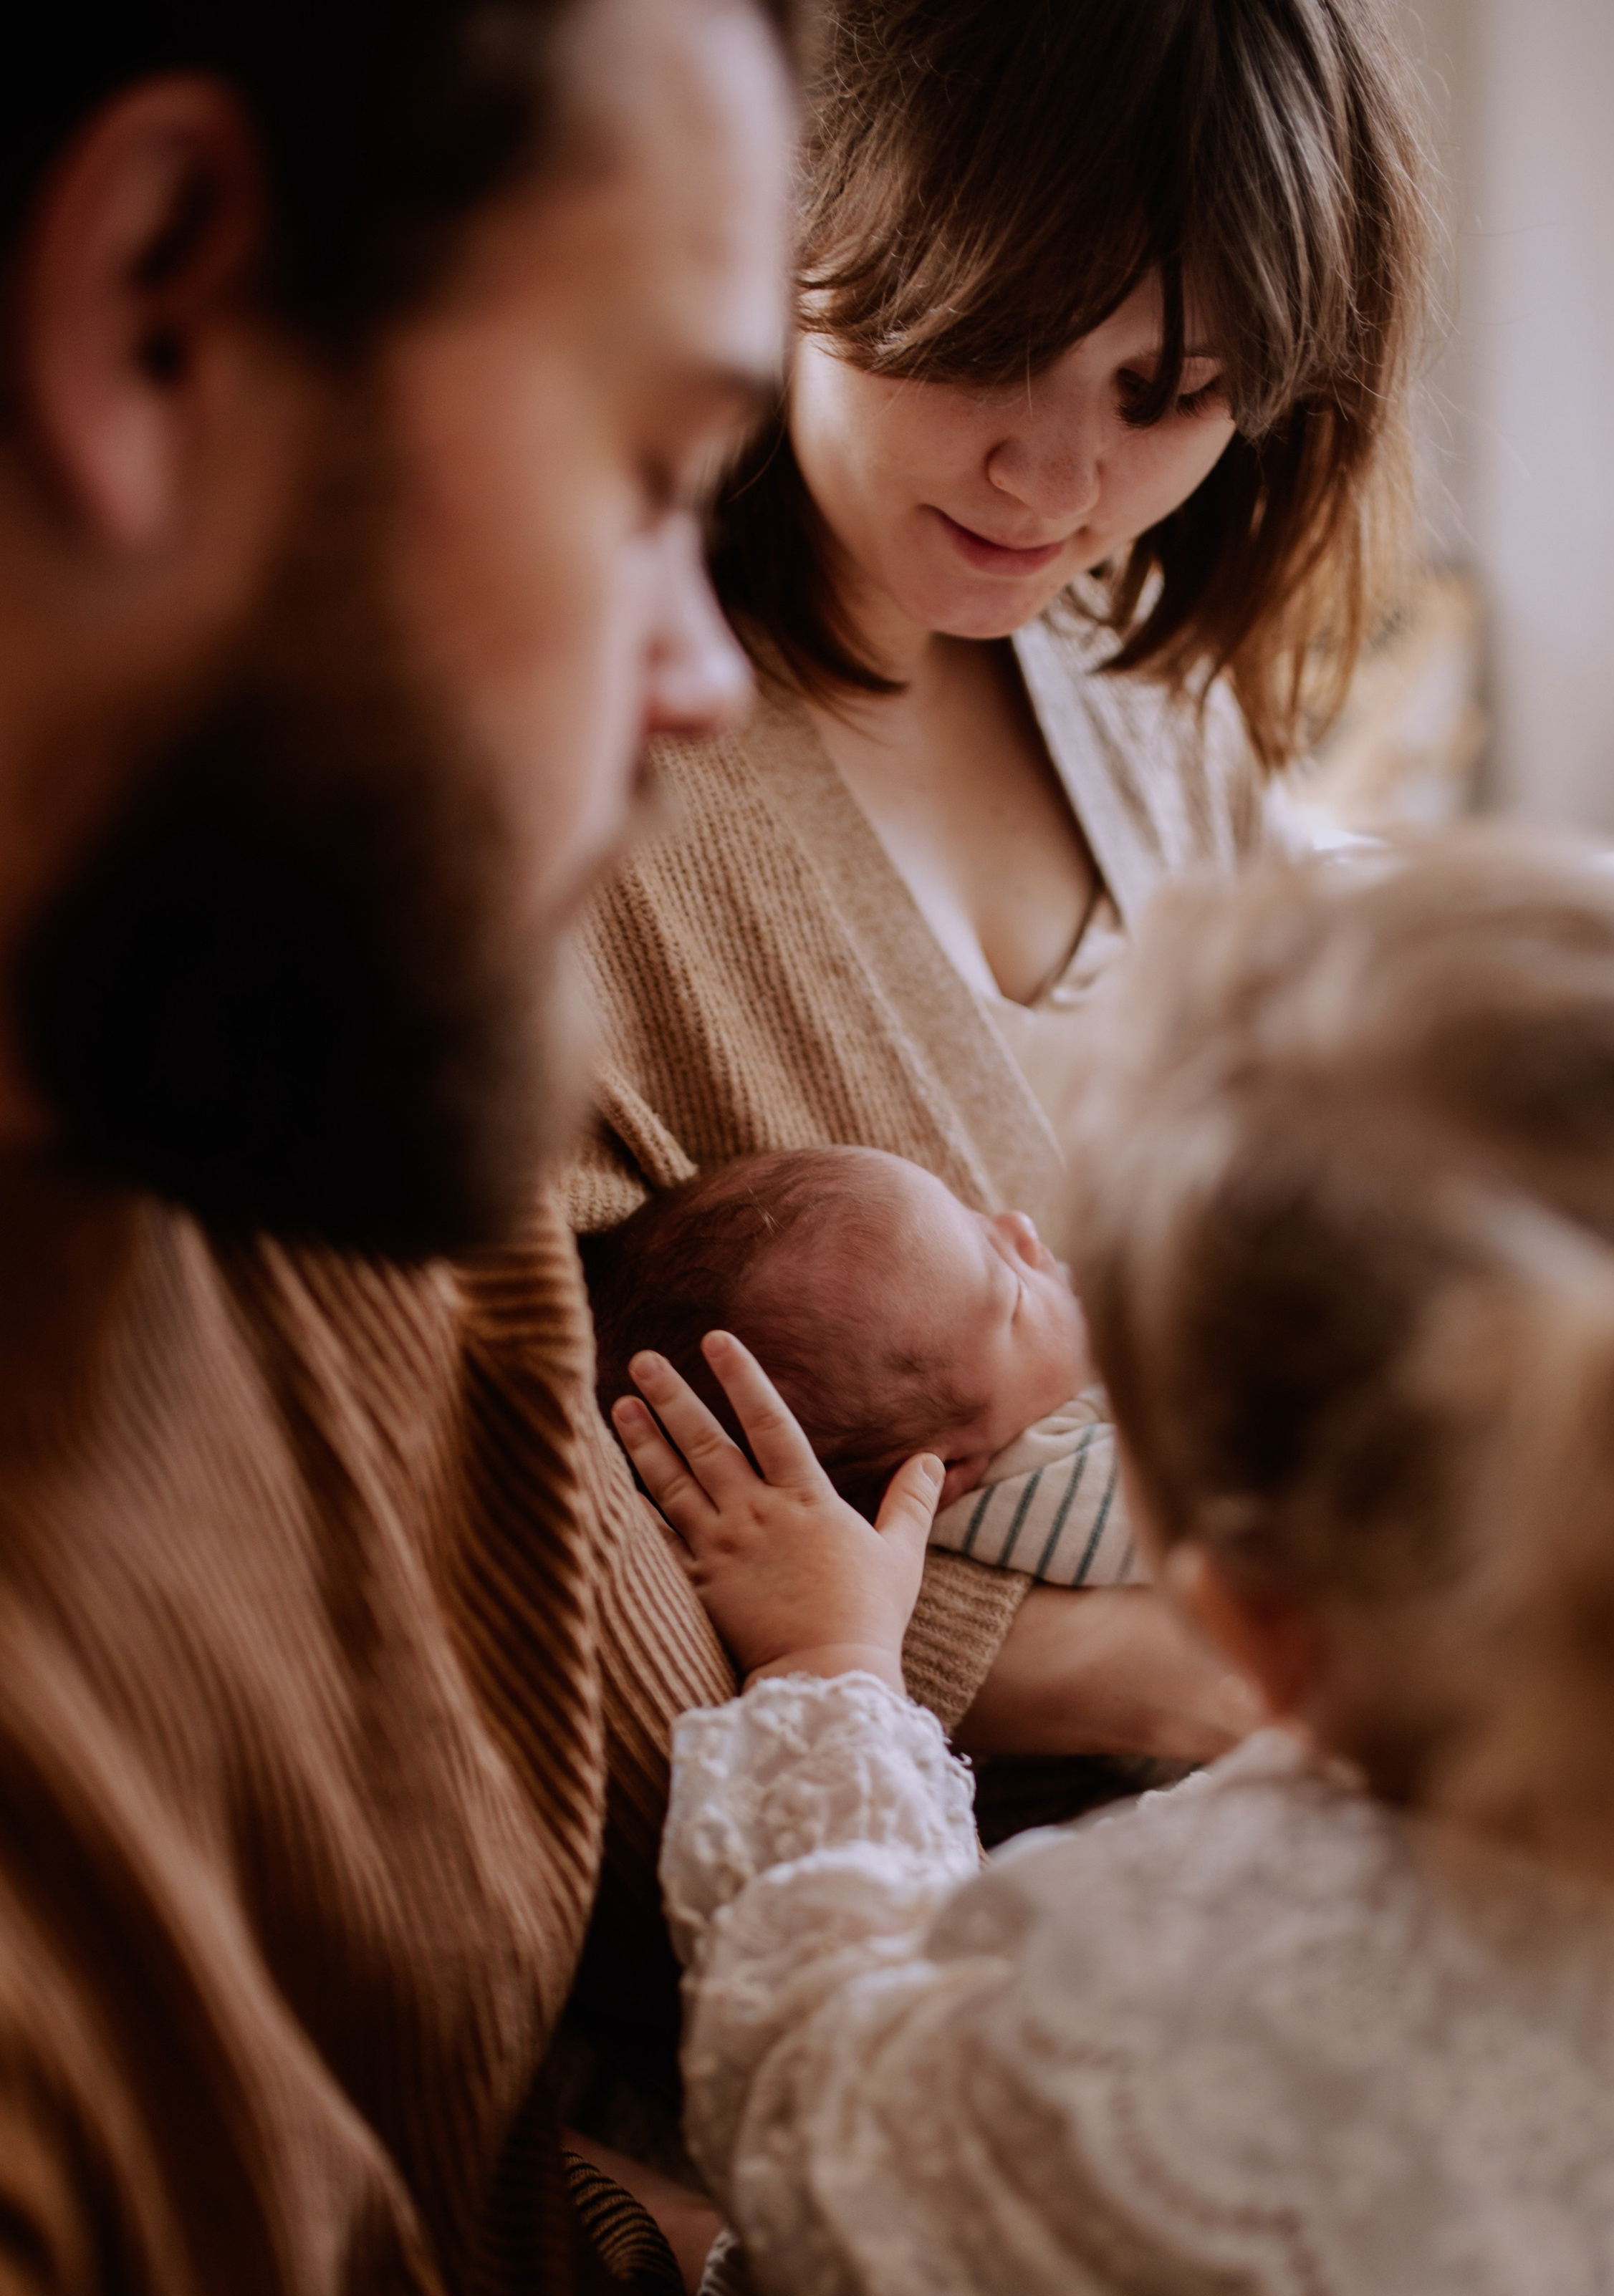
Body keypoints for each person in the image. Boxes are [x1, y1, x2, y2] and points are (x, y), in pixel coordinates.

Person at [0, 4, 897, 2296]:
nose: (705, 672)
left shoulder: (323, 1029)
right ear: (154, 317)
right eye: (651, 477)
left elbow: (673, 1741)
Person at [615, 837, 1614, 2296]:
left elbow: (814, 2095)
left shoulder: (1185, 2004)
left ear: (1253, 1627)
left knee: (748, 2291)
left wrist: (836, 1675)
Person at [564, 0, 1437, 1783]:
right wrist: (1054, 1668)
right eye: (986, 346)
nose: (1053, 485)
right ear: (786, 226)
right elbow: (498, 1486)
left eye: (1163, 393)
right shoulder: (587, 785)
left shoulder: (1145, 699)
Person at [587, 1144, 1153, 1586]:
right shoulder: (1050, 1480)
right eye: (1012, 1299)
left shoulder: (1017, 1417)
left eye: (975, 1216)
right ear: (936, 1478)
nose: (1021, 1227)